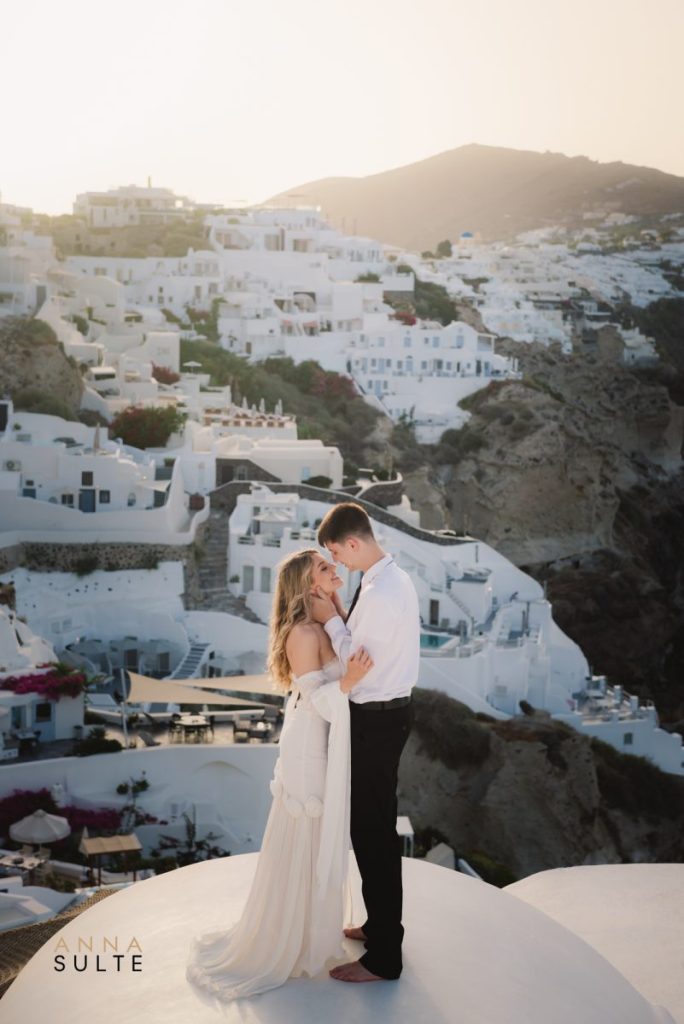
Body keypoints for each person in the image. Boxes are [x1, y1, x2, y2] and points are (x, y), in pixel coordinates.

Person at [186, 547, 373, 1002]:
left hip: (325, 744)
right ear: (310, 585)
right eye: (325, 568)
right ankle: (290, 941)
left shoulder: (329, 621)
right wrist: (347, 683)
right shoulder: (302, 634)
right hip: (308, 749)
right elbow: (317, 701)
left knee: (321, 836)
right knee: (307, 836)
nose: (336, 570)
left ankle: (312, 931)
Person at [311, 502, 419, 984]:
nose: (338, 563)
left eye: (337, 553)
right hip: (387, 716)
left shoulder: (379, 593)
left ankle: (384, 958)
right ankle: (379, 928)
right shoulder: (386, 580)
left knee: (372, 834)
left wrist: (329, 618)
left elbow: (357, 660)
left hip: (376, 719)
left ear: (353, 542)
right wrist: (338, 609)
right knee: (373, 829)